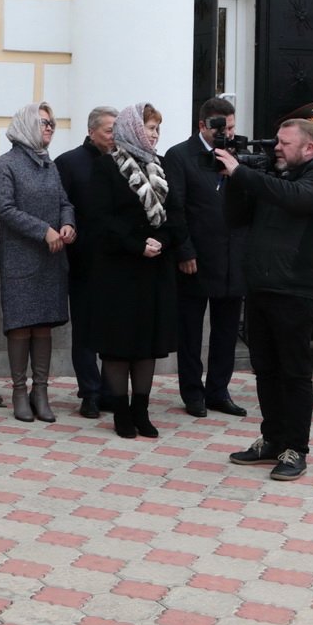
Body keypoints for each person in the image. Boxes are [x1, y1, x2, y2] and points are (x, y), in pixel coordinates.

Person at [217, 117, 313, 483]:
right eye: (277, 141)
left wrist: (243, 174)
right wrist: (234, 183)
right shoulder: (274, 179)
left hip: (295, 290)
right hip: (260, 287)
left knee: (293, 372)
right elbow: (236, 217)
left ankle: (295, 449)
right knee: (266, 370)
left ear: (309, 148)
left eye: (285, 143)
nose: (276, 147)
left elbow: (291, 199)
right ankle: (271, 438)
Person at [81, 103, 183, 440]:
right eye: (149, 128)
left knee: (146, 342)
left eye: (157, 129)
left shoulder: (161, 166)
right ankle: (121, 411)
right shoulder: (106, 168)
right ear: (132, 130)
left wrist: (162, 242)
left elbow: (176, 214)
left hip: (154, 269)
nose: (154, 135)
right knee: (119, 343)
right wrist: (136, 244)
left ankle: (142, 409)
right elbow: (99, 219)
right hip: (118, 270)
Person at [164, 96, 249, 419]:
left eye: (231, 126)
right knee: (190, 331)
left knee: (227, 331)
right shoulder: (179, 156)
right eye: (221, 127)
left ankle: (218, 391)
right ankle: (192, 393)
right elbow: (176, 207)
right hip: (196, 259)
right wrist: (184, 250)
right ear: (202, 125)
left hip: (233, 258)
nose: (227, 132)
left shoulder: (234, 155)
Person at [0, 103, 75, 423]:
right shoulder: (6, 164)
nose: (50, 127)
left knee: (43, 325)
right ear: (26, 125)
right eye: (43, 123)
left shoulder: (48, 164)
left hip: (51, 259)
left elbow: (65, 202)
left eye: (52, 123)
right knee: (21, 325)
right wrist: (44, 231)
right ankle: (19, 391)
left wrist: (68, 224)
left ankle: (41, 391)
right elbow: (6, 210)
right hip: (21, 259)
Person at [56, 107, 120, 419]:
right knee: (84, 332)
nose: (114, 137)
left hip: (118, 262)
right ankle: (90, 392)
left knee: (112, 329)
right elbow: (61, 207)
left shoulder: (123, 162)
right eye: (109, 130)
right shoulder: (68, 163)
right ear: (92, 131)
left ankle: (111, 389)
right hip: (82, 261)